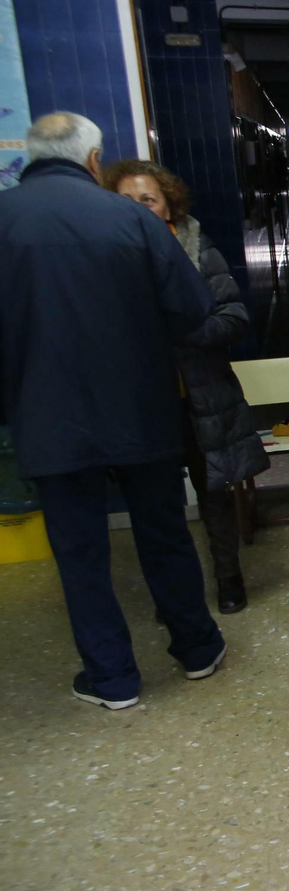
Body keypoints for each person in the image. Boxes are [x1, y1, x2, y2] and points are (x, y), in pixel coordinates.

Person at [0, 113, 227, 709]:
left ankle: (113, 679)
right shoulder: (129, 217)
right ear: (95, 160)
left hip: (44, 413)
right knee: (164, 532)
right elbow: (192, 306)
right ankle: (197, 648)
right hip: (138, 405)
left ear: (31, 154)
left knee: (78, 553)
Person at [102, 158, 268, 615]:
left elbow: (233, 318)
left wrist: (177, 331)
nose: (137, 208)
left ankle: (228, 578)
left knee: (214, 493)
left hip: (202, 396)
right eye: (125, 200)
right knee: (156, 505)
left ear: (168, 206)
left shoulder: (196, 246)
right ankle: (174, 590)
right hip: (142, 403)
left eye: (147, 199)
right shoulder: (103, 260)